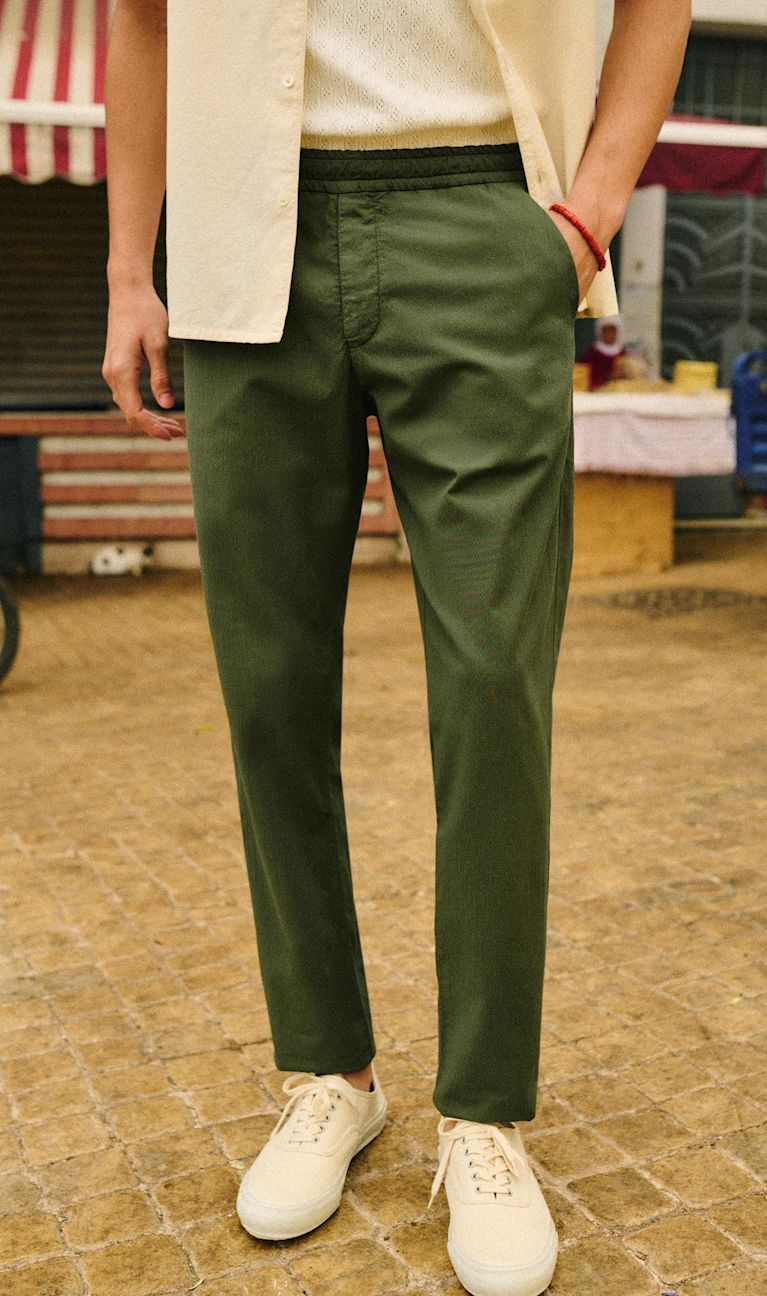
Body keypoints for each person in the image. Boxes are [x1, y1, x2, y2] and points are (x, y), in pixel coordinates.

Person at [102, 3, 692, 1293]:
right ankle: (331, 1071)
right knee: (267, 685)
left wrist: (588, 214)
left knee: (492, 685)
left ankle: (483, 1112)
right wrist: (127, 271)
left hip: (479, 209)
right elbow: (138, 19)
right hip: (238, 230)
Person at [577, 315, 630, 390]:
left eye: (612, 331)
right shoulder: (592, 353)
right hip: (596, 391)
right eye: (606, 331)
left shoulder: (623, 352)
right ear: (600, 332)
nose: (610, 334)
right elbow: (582, 374)